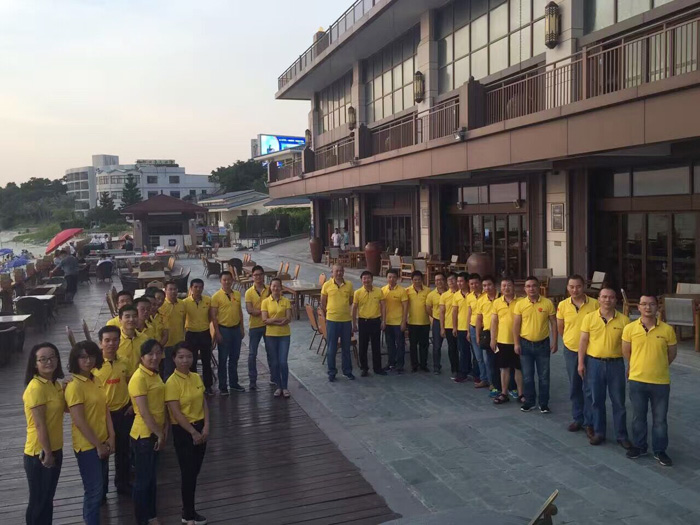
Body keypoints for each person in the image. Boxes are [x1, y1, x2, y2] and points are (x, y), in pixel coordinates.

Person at [622, 294, 677, 466]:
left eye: (651, 304)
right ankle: (640, 446)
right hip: (637, 380)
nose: (647, 307)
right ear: (638, 307)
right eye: (644, 304)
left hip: (660, 382)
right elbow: (626, 352)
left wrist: (659, 365)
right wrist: (637, 365)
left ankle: (660, 450)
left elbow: (672, 354)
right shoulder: (630, 328)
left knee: (660, 419)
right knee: (638, 416)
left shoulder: (667, 330)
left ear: (657, 307)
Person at [65, 341, 115, 524]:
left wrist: (112, 436)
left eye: (91, 356)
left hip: (103, 441)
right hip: (87, 446)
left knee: (99, 490)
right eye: (83, 357)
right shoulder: (74, 386)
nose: (88, 361)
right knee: (93, 491)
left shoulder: (96, 379)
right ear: (75, 360)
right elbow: (79, 421)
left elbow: (105, 409)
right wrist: (98, 445)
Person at [578, 286, 631, 448]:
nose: (607, 300)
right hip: (594, 363)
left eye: (611, 297)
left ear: (616, 300)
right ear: (599, 299)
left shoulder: (624, 321)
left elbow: (629, 347)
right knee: (596, 400)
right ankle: (599, 432)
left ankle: (621, 435)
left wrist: (630, 365)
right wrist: (581, 362)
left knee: (619, 402)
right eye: (604, 297)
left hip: (616, 364)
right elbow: (583, 341)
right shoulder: (589, 318)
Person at [165, 342, 210, 525]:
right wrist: (192, 432)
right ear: (174, 358)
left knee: (195, 471)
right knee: (188, 473)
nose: (185, 361)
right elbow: (176, 413)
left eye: (189, 357)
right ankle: (188, 514)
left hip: (200, 428)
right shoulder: (171, 383)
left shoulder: (196, 377)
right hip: (184, 431)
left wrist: (206, 426)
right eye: (181, 357)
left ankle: (188, 511)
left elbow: (203, 402)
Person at [23, 342, 65, 525]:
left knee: (47, 498)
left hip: (55, 447)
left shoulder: (54, 384)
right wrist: (48, 453)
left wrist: (68, 388)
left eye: (52, 357)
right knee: (38, 500)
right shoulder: (36, 388)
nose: (49, 362)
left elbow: (65, 408)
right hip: (39, 452)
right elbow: (40, 425)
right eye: (43, 359)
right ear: (35, 363)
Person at [128, 339, 167, 525]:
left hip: (155, 433)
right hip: (144, 435)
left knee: (151, 479)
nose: (154, 357)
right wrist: (159, 434)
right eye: (150, 354)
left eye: (158, 353)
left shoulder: (154, 374)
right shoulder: (139, 378)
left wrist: (163, 431)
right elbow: (144, 412)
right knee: (143, 481)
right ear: (142, 357)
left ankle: (152, 516)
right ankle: (141, 519)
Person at [93, 325, 133, 495]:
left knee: (123, 451)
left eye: (115, 340)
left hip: (123, 412)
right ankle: (101, 491)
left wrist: (132, 405)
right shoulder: (93, 366)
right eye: (107, 340)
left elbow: (131, 384)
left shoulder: (125, 362)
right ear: (100, 343)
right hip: (102, 415)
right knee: (102, 453)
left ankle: (122, 483)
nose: (111, 344)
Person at [557, 275, 599, 435]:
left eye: (578, 286)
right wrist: (569, 340)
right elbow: (561, 328)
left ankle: (590, 421)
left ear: (584, 287)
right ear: (567, 288)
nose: (575, 290)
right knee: (575, 386)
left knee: (589, 387)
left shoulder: (595, 304)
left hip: (591, 351)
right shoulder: (562, 305)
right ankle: (578, 418)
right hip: (571, 351)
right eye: (572, 287)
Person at [513, 276, 558, 413]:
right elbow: (516, 325)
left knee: (544, 376)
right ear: (525, 289)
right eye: (528, 286)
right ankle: (529, 401)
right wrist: (516, 343)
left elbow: (553, 323)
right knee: (527, 376)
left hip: (543, 345)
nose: (531, 288)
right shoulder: (520, 304)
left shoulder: (547, 303)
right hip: (525, 344)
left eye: (534, 285)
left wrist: (555, 342)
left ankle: (543, 403)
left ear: (539, 287)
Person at [211, 271, 246, 394]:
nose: (227, 282)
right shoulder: (216, 297)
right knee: (223, 359)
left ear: (232, 280)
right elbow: (214, 317)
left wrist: (242, 328)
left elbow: (240, 312)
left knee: (234, 358)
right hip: (224, 330)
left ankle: (234, 383)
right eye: (224, 280)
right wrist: (217, 333)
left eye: (229, 279)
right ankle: (223, 386)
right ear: (221, 281)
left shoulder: (237, 294)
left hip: (236, 330)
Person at [490, 277, 524, 404]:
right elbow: (494, 322)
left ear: (513, 287)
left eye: (509, 285)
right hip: (502, 340)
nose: (506, 288)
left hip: (518, 341)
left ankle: (521, 394)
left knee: (519, 368)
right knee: (504, 368)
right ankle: (504, 393)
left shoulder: (521, 301)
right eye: (503, 285)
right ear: (500, 288)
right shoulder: (497, 303)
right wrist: (493, 339)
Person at [321, 264, 355, 382]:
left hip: (346, 320)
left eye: (341, 271)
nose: (339, 273)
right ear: (332, 272)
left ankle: (347, 371)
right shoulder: (327, 285)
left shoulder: (349, 285)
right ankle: (332, 372)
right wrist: (328, 315)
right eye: (337, 271)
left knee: (346, 348)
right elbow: (323, 302)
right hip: (332, 320)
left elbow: (351, 301)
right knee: (332, 348)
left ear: (344, 272)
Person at [261, 278, 293, 397]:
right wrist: (278, 320)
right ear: (270, 287)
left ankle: (285, 387)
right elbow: (265, 320)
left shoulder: (286, 301)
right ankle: (278, 386)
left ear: (281, 287)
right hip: (271, 335)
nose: (275, 288)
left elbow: (288, 318)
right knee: (274, 363)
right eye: (273, 286)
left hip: (284, 335)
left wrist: (272, 320)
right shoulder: (265, 302)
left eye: (278, 286)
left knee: (283, 362)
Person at [352, 270, 386, 377]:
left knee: (376, 346)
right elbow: (354, 308)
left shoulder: (379, 291)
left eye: (368, 278)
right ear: (361, 280)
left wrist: (383, 320)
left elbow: (383, 306)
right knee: (363, 346)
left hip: (375, 321)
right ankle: (364, 368)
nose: (366, 280)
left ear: (372, 279)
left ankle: (377, 368)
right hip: (363, 322)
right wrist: (354, 323)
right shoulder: (357, 293)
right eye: (364, 278)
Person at [184, 279, 214, 395]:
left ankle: (208, 386)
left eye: (200, 287)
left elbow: (211, 317)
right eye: (195, 287)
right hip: (191, 334)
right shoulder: (185, 302)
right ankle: (194, 386)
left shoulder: (208, 300)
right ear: (191, 288)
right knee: (192, 362)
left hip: (204, 333)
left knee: (206, 361)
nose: (198, 289)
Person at [244, 266, 271, 389]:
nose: (258, 277)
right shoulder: (249, 292)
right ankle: (252, 380)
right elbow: (250, 310)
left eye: (260, 274)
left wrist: (260, 311)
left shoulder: (270, 290)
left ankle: (274, 377)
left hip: (268, 326)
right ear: (252, 276)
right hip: (254, 326)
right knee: (252, 353)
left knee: (271, 352)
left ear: (263, 275)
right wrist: (265, 312)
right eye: (255, 275)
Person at [475, 275, 499, 394]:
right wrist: (478, 335)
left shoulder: (502, 298)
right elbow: (479, 319)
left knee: (503, 361)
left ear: (494, 285)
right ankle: (493, 383)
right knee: (490, 361)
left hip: (502, 334)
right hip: (488, 334)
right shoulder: (481, 300)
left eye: (489, 285)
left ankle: (508, 385)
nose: (487, 288)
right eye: (484, 285)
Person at [382, 268, 408, 374]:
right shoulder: (383, 290)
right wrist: (382, 321)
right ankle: (391, 363)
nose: (391, 279)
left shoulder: (402, 291)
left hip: (398, 322)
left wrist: (404, 322)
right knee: (390, 344)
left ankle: (400, 365)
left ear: (397, 278)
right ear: (386, 278)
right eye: (389, 277)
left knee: (400, 344)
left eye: (394, 277)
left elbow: (405, 307)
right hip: (387, 322)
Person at [160, 280, 186, 380]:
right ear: (165, 291)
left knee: (180, 369)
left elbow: (184, 321)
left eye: (175, 289)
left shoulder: (182, 304)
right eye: (170, 289)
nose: (173, 291)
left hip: (179, 342)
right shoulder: (161, 306)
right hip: (167, 344)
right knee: (168, 370)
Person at [407, 270, 431, 372]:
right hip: (412, 322)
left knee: (424, 345)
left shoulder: (428, 291)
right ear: (412, 280)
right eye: (415, 280)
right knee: (413, 345)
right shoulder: (407, 291)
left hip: (424, 322)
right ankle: (414, 365)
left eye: (419, 279)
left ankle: (423, 364)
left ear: (422, 280)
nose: (417, 281)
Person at [466, 273, 487, 387]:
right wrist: (468, 331)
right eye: (471, 284)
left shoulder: (487, 295)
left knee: (487, 358)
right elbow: (469, 314)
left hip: (485, 329)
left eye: (476, 283)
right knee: (479, 357)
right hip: (473, 328)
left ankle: (493, 380)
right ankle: (483, 379)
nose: (474, 285)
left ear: (480, 283)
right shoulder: (469, 297)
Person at [452, 272, 473, 383]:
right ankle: (464, 372)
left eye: (461, 281)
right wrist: (454, 327)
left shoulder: (473, 294)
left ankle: (476, 373)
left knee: (476, 353)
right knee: (463, 352)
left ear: (467, 282)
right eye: (458, 281)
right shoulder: (456, 295)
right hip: (461, 327)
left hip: (473, 327)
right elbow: (454, 312)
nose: (459, 283)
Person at [117, 305, 149, 374]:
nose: (131, 319)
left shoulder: (144, 338)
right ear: (120, 320)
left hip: (139, 377)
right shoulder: (115, 339)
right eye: (127, 317)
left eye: (134, 316)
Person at [440, 273, 459, 378]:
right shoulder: (444, 295)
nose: (451, 282)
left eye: (453, 279)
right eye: (449, 280)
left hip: (461, 326)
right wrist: (442, 328)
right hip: (449, 325)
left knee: (462, 349)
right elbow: (442, 312)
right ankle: (454, 369)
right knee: (452, 348)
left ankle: (465, 369)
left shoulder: (463, 294)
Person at [427, 272, 447, 375]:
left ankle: (456, 368)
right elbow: (428, 309)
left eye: (441, 279)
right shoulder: (431, 295)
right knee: (437, 346)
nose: (439, 282)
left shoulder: (452, 293)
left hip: (450, 322)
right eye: (436, 280)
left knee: (454, 346)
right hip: (437, 322)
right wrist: (435, 317)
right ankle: (436, 366)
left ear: (445, 281)